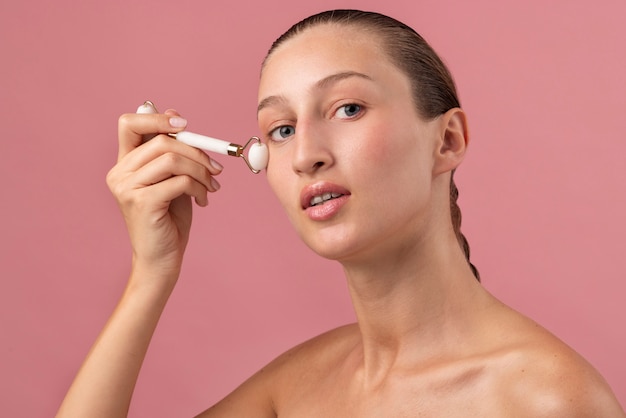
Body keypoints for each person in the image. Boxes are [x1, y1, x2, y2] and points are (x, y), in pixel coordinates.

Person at [56, 9, 625, 417]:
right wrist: (150, 275)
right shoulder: (295, 390)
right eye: (281, 129)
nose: (306, 154)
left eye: (348, 108)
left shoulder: (548, 401)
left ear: (447, 140)